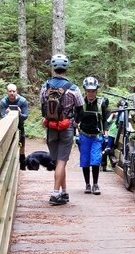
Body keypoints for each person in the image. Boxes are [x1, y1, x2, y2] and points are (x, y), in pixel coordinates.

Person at [41, 54, 84, 206]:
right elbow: (80, 109)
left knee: (59, 161)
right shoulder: (73, 88)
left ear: (54, 68)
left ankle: (64, 192)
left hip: (51, 128)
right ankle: (54, 193)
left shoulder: (45, 86)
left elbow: (43, 107)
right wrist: (76, 122)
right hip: (66, 127)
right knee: (62, 161)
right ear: (66, 68)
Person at [75, 76, 110, 194]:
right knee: (85, 160)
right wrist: (75, 134)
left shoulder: (101, 103)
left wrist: (106, 133)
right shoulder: (81, 104)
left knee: (95, 160)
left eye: (93, 91)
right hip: (84, 135)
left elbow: (105, 120)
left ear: (96, 91)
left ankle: (95, 184)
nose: (91, 93)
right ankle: (87, 185)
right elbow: (76, 120)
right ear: (85, 90)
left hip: (96, 136)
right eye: (89, 91)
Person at [0, 83, 29, 170]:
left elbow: (25, 116)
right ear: (7, 92)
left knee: (22, 145)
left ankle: (22, 165)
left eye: (13, 91)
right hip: (7, 128)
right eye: (10, 91)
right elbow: (2, 117)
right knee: (9, 146)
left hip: (20, 126)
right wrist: (7, 114)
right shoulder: (4, 102)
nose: (12, 93)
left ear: (16, 92)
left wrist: (19, 114)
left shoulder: (22, 101)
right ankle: (9, 166)